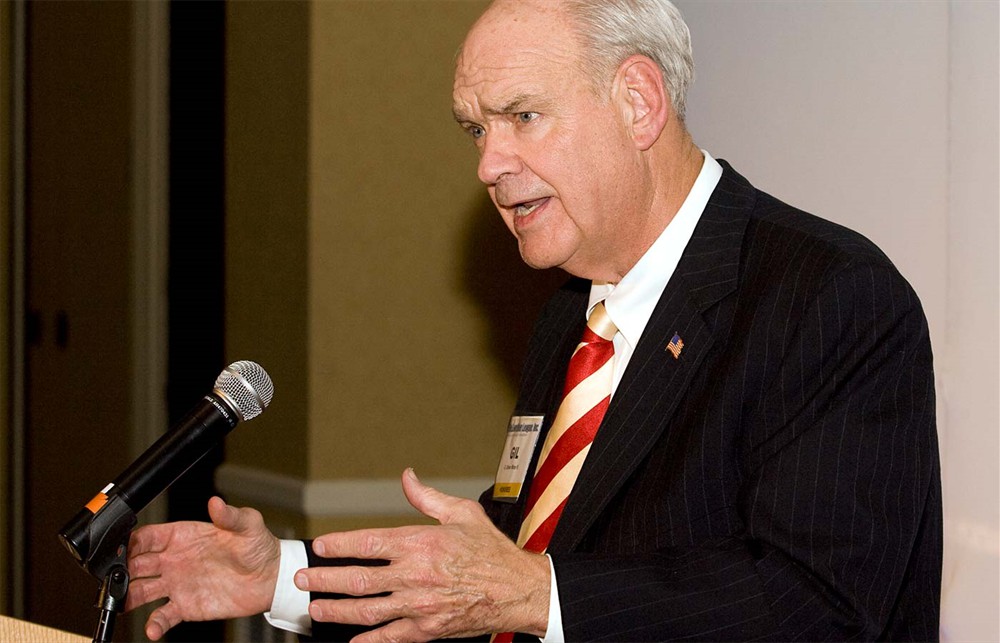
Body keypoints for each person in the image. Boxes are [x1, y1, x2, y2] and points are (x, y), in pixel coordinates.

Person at [125, 0, 942, 641]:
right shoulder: (569, 316)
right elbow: (497, 561)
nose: (488, 163)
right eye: (478, 128)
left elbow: (821, 608)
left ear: (638, 102)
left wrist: (533, 592)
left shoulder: (831, 298)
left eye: (522, 116)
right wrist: (281, 578)